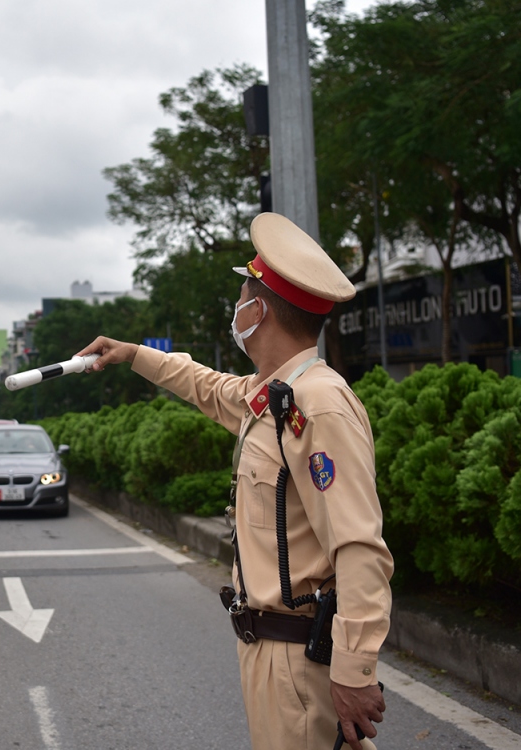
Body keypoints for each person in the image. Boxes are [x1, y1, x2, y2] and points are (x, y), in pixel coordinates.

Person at [77, 213, 392, 750]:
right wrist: (133, 355)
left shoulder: (316, 405)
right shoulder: (272, 394)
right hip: (266, 649)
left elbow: (359, 546)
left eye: (242, 293)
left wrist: (354, 670)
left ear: (259, 309)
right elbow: (205, 384)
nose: (237, 307)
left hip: (299, 658)